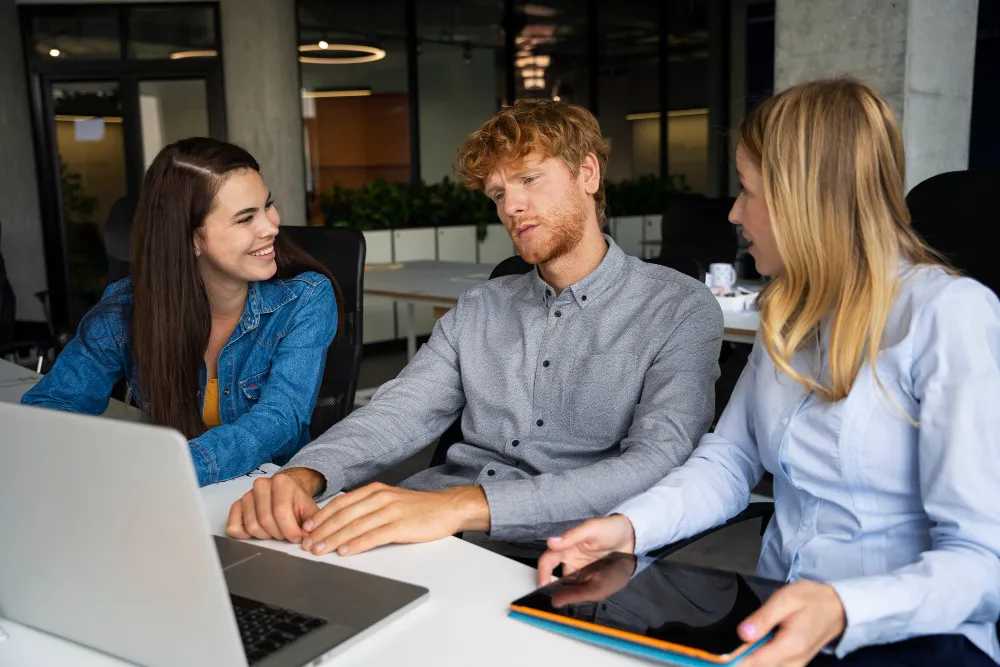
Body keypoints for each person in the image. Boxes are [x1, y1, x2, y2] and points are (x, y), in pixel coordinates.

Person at [538, 78, 1000, 667]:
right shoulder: (789, 313)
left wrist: (842, 607)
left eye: (747, 190)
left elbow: (982, 559)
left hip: (912, 636)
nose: (734, 212)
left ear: (806, 198)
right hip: (775, 620)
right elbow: (729, 461)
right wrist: (629, 527)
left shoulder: (947, 318)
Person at [226, 99, 724, 560]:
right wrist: (305, 473)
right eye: (498, 193)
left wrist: (467, 505)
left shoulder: (678, 307)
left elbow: (657, 463)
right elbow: (400, 412)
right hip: (438, 536)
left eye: (529, 179)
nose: (511, 207)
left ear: (587, 173)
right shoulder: (479, 308)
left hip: (572, 551)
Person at [22, 137, 342, 486]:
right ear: (191, 239)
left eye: (268, 206)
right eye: (245, 218)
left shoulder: (304, 299)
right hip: (171, 497)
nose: (271, 227)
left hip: (270, 490)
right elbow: (50, 409)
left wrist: (168, 468)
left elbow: (279, 419)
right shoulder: (125, 311)